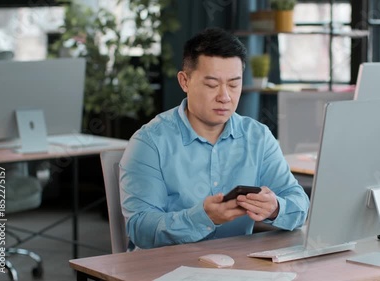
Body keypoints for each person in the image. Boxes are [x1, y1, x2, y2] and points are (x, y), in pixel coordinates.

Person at [119, 27, 309, 250]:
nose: (224, 97)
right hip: (166, 268)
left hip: (236, 266)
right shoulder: (150, 142)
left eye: (233, 84)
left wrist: (276, 207)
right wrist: (202, 218)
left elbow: (299, 204)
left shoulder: (258, 137)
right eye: (211, 85)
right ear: (184, 81)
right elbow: (140, 227)